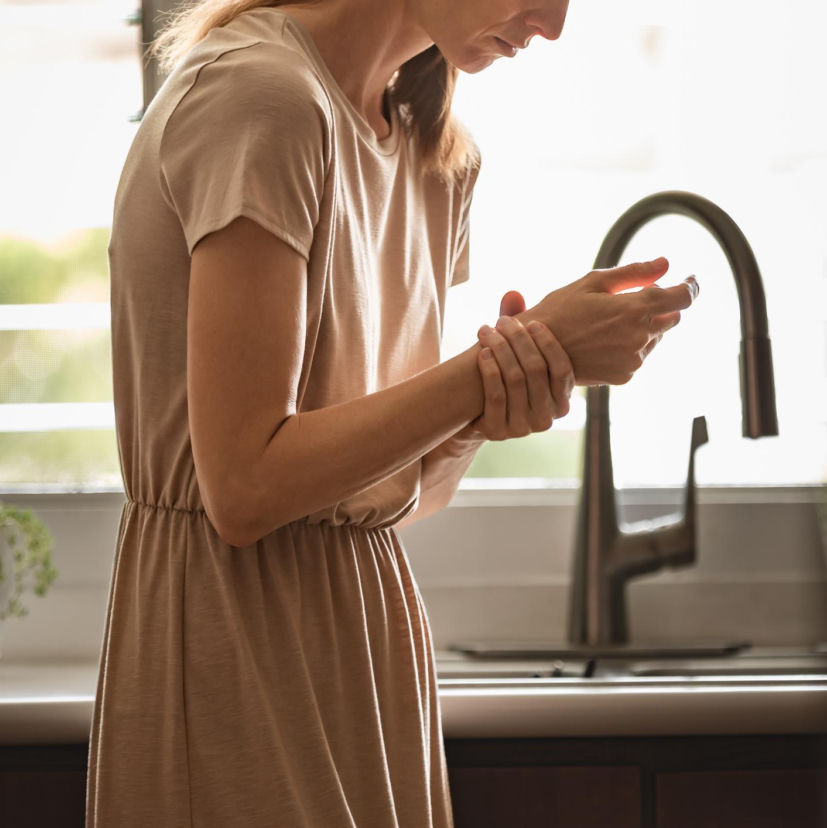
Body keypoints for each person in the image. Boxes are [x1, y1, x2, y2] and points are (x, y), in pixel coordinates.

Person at [86, 0, 698, 824]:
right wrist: (479, 379)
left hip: (364, 649)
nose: (551, 24)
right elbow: (243, 487)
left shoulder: (434, 149)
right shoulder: (260, 99)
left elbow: (400, 493)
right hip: (232, 649)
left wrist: (494, 399)